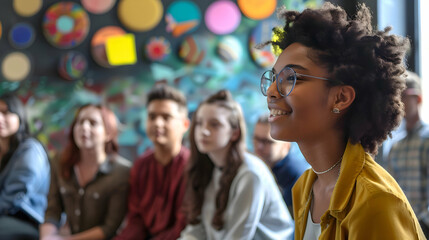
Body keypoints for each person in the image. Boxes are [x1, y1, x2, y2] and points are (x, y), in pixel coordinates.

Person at [260, 2, 425, 239]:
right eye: (274, 77)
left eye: (291, 77)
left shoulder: (375, 202)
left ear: (340, 98)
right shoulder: (305, 187)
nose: (271, 91)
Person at [179, 90, 294, 240]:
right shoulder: (209, 168)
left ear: (234, 133)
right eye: (199, 123)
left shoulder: (250, 174)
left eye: (215, 124)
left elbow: (237, 237)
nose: (204, 131)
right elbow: (196, 230)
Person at [40, 104, 131, 240]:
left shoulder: (122, 172)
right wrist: (47, 236)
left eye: (93, 123)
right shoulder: (59, 162)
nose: (84, 127)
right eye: (80, 122)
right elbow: (53, 210)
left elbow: (110, 228)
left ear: (108, 133)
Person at [115, 85, 190, 240]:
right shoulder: (141, 165)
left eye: (166, 117)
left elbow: (183, 226)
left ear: (185, 125)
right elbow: (136, 221)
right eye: (152, 116)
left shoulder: (191, 167)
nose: (157, 123)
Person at [383, 71, 429, 236]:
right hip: (401, 228)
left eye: (405, 96)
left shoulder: (427, 140)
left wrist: (423, 223)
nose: (400, 101)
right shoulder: (395, 146)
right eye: (398, 96)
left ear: (418, 99)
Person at [0, 93, 50, 240]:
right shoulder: (3, 152)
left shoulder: (30, 150)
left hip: (28, 221)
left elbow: (13, 199)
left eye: (6, 112)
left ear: (20, 116)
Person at [253, 114, 309, 215]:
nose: (259, 147)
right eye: (256, 139)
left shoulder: (297, 174)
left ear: (286, 145)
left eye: (267, 142)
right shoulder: (259, 166)